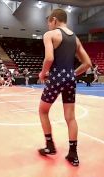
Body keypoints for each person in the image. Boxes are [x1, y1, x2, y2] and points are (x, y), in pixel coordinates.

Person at [38, 8, 91, 167]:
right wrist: (72, 74)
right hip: (70, 79)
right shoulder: (75, 38)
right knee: (71, 117)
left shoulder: (50, 35)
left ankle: (50, 146)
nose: (48, 26)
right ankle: (73, 154)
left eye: (49, 23)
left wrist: (43, 73)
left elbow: (49, 58)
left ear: (54, 20)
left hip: (56, 77)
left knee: (43, 110)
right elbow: (87, 63)